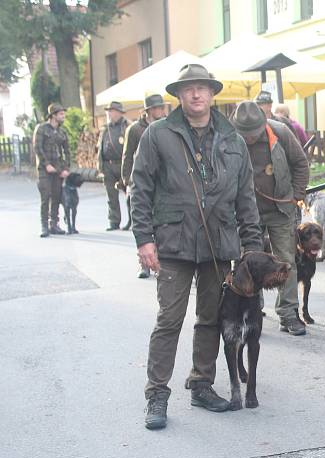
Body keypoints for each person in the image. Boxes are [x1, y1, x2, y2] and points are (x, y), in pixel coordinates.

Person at [130, 64, 262, 430]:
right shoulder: (158, 135)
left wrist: (251, 251)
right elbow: (139, 187)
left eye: (202, 88)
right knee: (169, 319)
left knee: (211, 318)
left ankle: (201, 383)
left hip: (219, 243)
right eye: (189, 89)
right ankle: (157, 393)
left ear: (212, 93)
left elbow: (246, 199)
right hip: (172, 241)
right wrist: (144, 238)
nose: (196, 94)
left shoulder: (233, 138)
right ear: (179, 94)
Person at [231, 101, 310, 336]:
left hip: (280, 209)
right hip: (246, 213)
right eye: (245, 135)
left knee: (286, 260)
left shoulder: (281, 133)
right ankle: (251, 311)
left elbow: (300, 164)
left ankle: (288, 314)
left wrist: (297, 195)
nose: (250, 139)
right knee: (247, 263)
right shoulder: (228, 139)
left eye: (253, 134)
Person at [122, 94, 167, 278]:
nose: (161, 111)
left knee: (161, 225)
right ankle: (144, 265)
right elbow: (127, 156)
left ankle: (160, 262)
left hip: (162, 182)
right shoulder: (135, 129)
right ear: (149, 110)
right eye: (157, 108)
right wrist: (126, 182)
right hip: (142, 180)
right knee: (142, 223)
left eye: (162, 107)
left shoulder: (166, 126)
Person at [33, 103, 69, 238]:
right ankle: (44, 225)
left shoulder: (62, 132)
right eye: (60, 114)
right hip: (44, 169)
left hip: (58, 168)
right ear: (53, 116)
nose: (63, 116)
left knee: (56, 195)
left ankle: (54, 223)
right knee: (45, 196)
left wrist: (65, 168)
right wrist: (46, 164)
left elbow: (67, 151)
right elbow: (38, 148)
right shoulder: (41, 129)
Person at [97, 101, 130, 231]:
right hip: (108, 165)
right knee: (111, 196)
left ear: (118, 112)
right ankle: (114, 221)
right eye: (109, 111)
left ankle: (132, 221)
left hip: (123, 164)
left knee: (129, 195)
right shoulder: (106, 128)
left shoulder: (127, 126)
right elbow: (100, 148)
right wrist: (100, 166)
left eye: (111, 111)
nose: (109, 114)